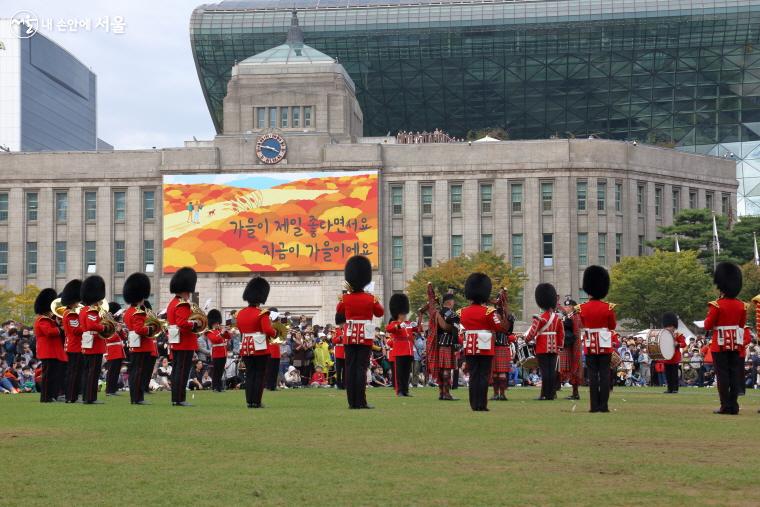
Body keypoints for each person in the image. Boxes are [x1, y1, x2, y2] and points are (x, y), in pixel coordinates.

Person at [336, 255, 384, 409]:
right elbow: (380, 313)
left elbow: (339, 312)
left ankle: (352, 402)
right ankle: (361, 402)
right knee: (361, 369)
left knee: (350, 368)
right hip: (365, 335)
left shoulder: (345, 299)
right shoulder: (371, 298)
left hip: (350, 335)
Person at [460, 273, 507, 412]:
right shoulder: (489, 312)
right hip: (485, 346)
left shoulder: (462, 312)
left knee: (474, 375)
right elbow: (500, 327)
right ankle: (482, 404)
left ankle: (474, 404)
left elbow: (460, 329)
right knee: (484, 376)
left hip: (470, 346)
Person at [704, 262, 746, 415]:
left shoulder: (717, 305)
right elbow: (741, 325)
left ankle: (725, 406)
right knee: (734, 374)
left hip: (719, 345)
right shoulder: (742, 305)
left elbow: (708, 325)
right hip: (735, 344)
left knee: (722, 376)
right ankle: (734, 406)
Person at [576, 265, 618, 413]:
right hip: (605, 344)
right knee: (605, 375)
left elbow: (581, 324)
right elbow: (612, 325)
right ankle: (603, 406)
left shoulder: (582, 308)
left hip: (590, 344)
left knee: (593, 376)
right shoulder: (608, 308)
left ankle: (594, 406)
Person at [238, 276, 276, 408]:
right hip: (260, 347)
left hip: (246, 347)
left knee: (249, 374)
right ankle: (256, 401)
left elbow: (241, 329)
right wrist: (275, 332)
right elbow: (267, 330)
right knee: (260, 375)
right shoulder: (262, 313)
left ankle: (249, 401)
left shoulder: (241, 313)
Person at [166, 267, 202, 407]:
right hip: (184, 342)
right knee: (182, 371)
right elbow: (182, 323)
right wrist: (195, 323)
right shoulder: (182, 304)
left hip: (177, 341)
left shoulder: (172, 303)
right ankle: (180, 399)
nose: (189, 294)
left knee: (177, 370)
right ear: (185, 290)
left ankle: (176, 398)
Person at [524, 283, 564, 401]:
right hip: (554, 347)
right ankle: (551, 394)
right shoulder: (558, 318)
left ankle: (544, 394)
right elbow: (561, 334)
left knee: (545, 371)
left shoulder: (540, 318)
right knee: (551, 371)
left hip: (542, 346)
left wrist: (526, 340)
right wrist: (559, 346)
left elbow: (532, 332)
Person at [123, 272, 156, 405]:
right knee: (138, 373)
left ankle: (136, 398)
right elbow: (139, 329)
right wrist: (151, 329)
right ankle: (137, 398)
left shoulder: (129, 311)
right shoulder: (138, 312)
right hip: (141, 345)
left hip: (135, 345)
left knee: (136, 372)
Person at [79, 276, 110, 405]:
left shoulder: (84, 310)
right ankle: (91, 397)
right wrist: (104, 326)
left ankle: (87, 396)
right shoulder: (91, 311)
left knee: (88, 371)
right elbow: (92, 325)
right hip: (94, 344)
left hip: (88, 343)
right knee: (93, 371)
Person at [386, 293, 423, 398]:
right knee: (400, 373)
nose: (404, 315)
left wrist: (417, 323)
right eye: (403, 314)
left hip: (409, 350)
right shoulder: (394, 323)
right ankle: (399, 391)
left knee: (407, 373)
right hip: (400, 350)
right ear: (398, 314)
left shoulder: (408, 323)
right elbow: (389, 329)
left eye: (405, 313)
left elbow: (419, 330)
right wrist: (398, 326)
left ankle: (405, 390)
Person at [33, 288, 64, 403]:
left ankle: (51, 396)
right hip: (47, 352)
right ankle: (45, 397)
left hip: (52, 351)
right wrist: (60, 329)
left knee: (53, 376)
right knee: (47, 376)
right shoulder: (42, 320)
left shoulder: (49, 320)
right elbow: (49, 332)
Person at [429, 293, 459, 401]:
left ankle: (442, 393)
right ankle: (447, 394)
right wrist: (456, 346)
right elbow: (455, 332)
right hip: (449, 344)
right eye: (453, 301)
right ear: (450, 302)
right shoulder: (453, 315)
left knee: (442, 369)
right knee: (446, 370)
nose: (454, 303)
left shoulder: (438, 313)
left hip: (439, 345)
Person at [60, 279, 84, 403]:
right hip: (74, 347)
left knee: (73, 373)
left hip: (73, 346)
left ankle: (72, 396)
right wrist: (86, 326)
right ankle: (71, 396)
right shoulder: (71, 315)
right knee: (74, 373)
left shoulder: (68, 313)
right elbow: (76, 331)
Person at [559, 298, 583, 399]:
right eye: (565, 306)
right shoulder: (569, 316)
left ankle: (575, 393)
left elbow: (576, 333)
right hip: (568, 345)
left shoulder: (575, 316)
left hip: (574, 346)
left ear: (572, 307)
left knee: (574, 369)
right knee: (566, 369)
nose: (566, 308)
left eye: (568, 306)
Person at [661, 312, 687, 394]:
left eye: (670, 326)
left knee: (674, 375)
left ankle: (675, 389)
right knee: (668, 375)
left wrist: (678, 344)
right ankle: (669, 388)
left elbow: (684, 344)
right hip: (666, 357)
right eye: (667, 326)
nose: (669, 328)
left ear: (674, 326)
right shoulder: (663, 334)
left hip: (675, 357)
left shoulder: (678, 334)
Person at [104, 302, 125, 396]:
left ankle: (113, 389)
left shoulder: (115, 323)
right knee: (111, 371)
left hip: (118, 350)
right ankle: (109, 390)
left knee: (116, 371)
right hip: (112, 350)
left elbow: (123, 337)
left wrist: (120, 331)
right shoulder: (107, 324)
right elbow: (108, 337)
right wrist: (117, 330)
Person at [206, 309, 229, 393]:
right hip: (216, 353)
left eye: (218, 322)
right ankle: (214, 387)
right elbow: (215, 340)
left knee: (221, 370)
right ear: (212, 323)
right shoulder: (209, 332)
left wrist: (225, 331)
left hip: (223, 353)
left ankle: (219, 387)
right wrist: (221, 333)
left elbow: (228, 337)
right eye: (216, 323)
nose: (217, 324)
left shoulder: (219, 330)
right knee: (216, 371)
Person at [266, 308, 286, 391]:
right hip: (269, 350)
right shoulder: (268, 325)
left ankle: (273, 385)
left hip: (276, 350)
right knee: (269, 370)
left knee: (275, 370)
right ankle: (268, 386)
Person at [333, 313, 346, 389]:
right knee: (338, 370)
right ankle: (338, 384)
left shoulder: (347, 330)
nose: (343, 324)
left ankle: (344, 384)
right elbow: (333, 341)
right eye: (342, 323)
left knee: (345, 370)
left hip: (346, 352)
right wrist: (340, 338)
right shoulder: (336, 331)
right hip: (339, 352)